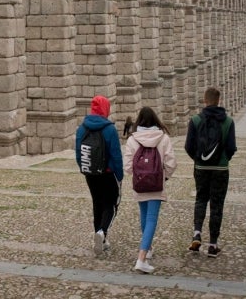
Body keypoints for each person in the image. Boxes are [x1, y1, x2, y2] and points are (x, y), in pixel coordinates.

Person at [184, 87, 236, 258]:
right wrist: (222, 159)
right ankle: (213, 244)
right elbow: (231, 148)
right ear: (219, 100)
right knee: (217, 205)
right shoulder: (228, 122)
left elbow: (188, 147)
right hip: (220, 169)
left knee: (200, 199)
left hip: (201, 168)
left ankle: (197, 233)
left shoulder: (196, 120)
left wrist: (199, 159)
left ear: (204, 100)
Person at [124, 106, 177, 274]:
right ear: (155, 120)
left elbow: (127, 166)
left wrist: (138, 175)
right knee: (152, 219)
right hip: (156, 184)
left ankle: (148, 248)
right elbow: (171, 163)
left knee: (144, 216)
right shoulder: (163, 138)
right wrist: (164, 177)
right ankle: (141, 258)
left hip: (140, 185)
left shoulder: (132, 139)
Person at [75, 95, 124, 257]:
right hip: (108, 174)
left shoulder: (82, 128)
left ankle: (99, 235)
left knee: (97, 203)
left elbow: (78, 153)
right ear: (105, 109)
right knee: (110, 204)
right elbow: (116, 155)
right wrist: (120, 174)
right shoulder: (109, 129)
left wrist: (84, 168)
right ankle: (102, 232)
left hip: (90, 173)